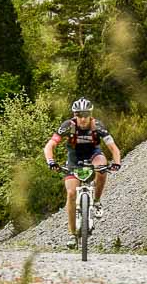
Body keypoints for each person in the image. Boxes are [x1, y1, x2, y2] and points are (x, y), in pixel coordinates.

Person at [41, 98, 122, 248]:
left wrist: (116, 163)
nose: (83, 119)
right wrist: (51, 161)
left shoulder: (97, 126)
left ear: (91, 114)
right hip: (74, 159)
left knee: (102, 167)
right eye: (79, 115)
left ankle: (96, 201)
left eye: (86, 115)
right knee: (71, 194)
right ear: (75, 115)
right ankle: (72, 235)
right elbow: (49, 146)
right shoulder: (68, 126)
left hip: (93, 155)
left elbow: (114, 148)